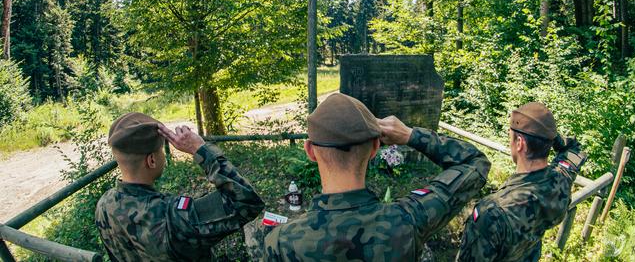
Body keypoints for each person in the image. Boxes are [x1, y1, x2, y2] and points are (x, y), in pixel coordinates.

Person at [263, 93, 491, 261]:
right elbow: (476, 163)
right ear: (375, 148)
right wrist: (411, 135)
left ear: (310, 151)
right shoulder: (409, 219)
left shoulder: (281, 243)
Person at [95, 112, 264, 261]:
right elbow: (247, 202)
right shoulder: (173, 217)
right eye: (161, 151)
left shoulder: (104, 205)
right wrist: (200, 150)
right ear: (151, 160)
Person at [456, 102, 587, 262]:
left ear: (519, 143)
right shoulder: (560, 181)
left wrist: (549, 136)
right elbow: (575, 150)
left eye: (510, 137)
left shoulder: (491, 213)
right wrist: (550, 137)